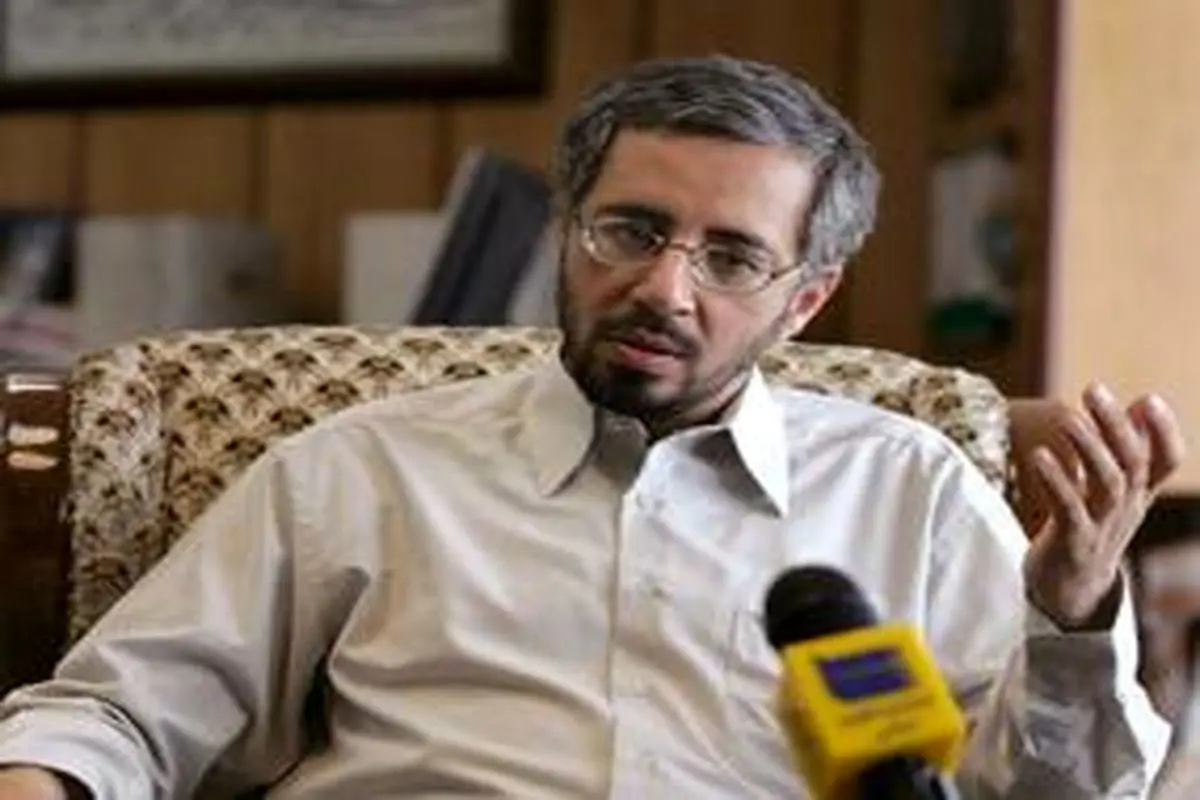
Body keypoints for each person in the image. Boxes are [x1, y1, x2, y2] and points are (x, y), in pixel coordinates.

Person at [0, 55, 1185, 799]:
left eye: (732, 256)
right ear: (567, 231)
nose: (665, 289)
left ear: (805, 299)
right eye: (631, 231)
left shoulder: (907, 491)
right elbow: (118, 710)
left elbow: (1056, 798)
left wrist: (1074, 616)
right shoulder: (362, 470)